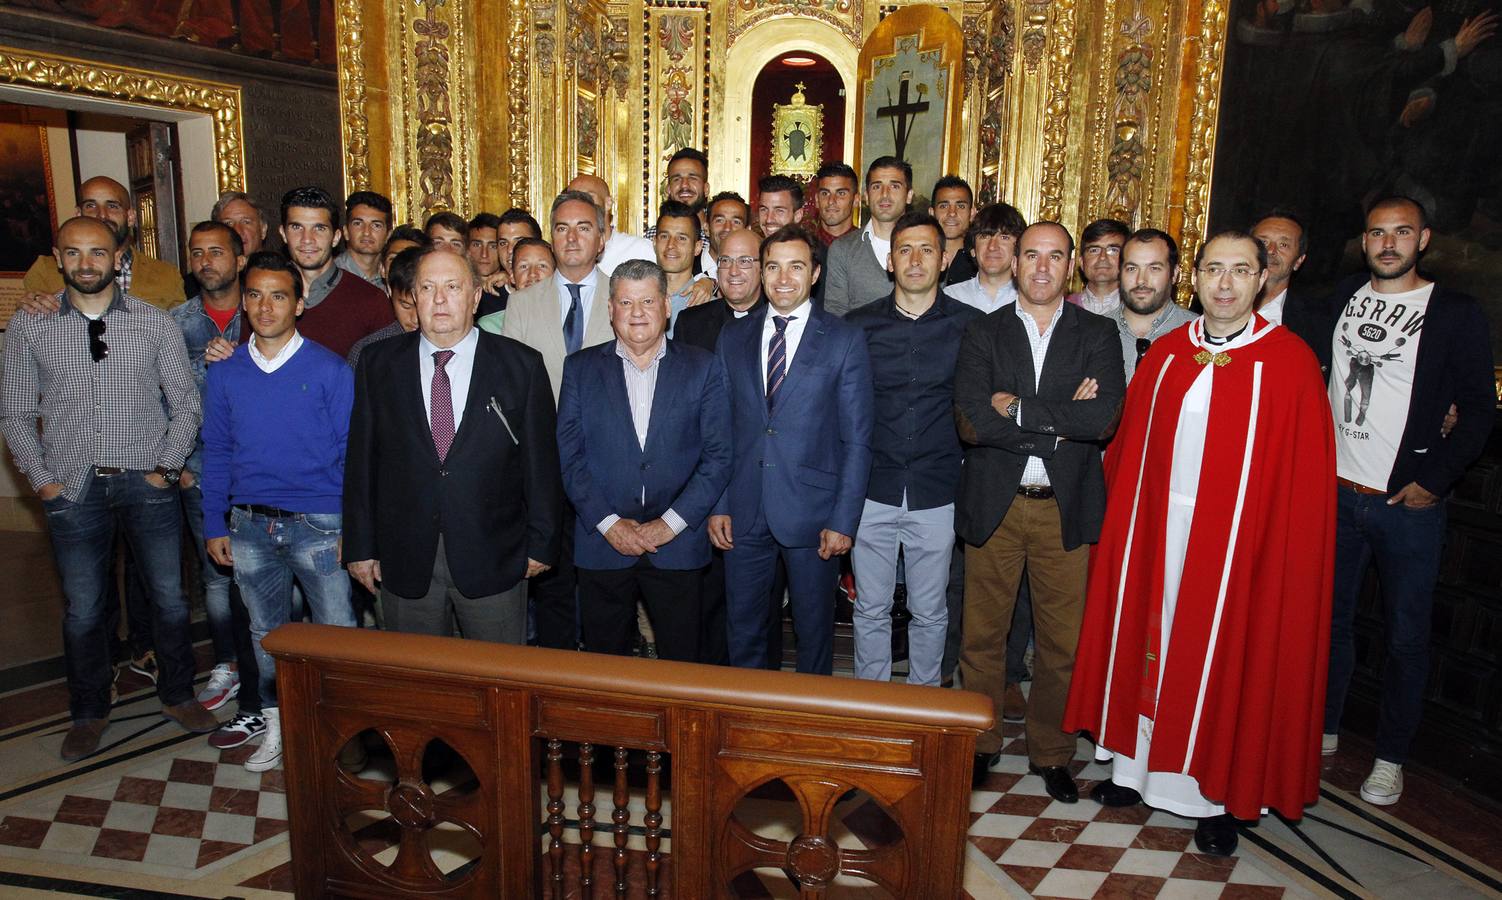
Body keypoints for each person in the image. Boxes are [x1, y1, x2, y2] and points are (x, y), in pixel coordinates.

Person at [1064, 229, 1337, 857]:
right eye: (1214, 269)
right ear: (1196, 277)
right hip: (1159, 536)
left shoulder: (1290, 363)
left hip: (1241, 550)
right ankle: (1135, 770)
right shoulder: (1165, 356)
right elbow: (1130, 458)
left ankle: (1219, 796)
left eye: (1240, 271)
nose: (1224, 284)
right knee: (1150, 641)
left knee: (1227, 653)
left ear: (1262, 280)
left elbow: (1301, 488)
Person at [2, 216, 215, 762]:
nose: (86, 263)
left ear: (120, 256)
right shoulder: (31, 326)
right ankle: (89, 710)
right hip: (73, 488)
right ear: (58, 257)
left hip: (146, 485)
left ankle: (177, 693)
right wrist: (43, 480)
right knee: (84, 609)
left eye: (97, 252)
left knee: (169, 599)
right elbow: (15, 411)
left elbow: (185, 403)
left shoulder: (153, 323)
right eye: (73, 254)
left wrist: (165, 469)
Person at [1323, 196, 1496, 806]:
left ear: (1424, 240)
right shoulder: (1344, 295)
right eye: (1377, 232)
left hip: (1408, 505)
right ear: (1364, 240)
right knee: (1331, 625)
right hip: (1337, 496)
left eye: (1401, 232)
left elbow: (1478, 409)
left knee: (1405, 638)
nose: (1388, 243)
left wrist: (1438, 480)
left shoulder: (1454, 312)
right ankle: (1323, 733)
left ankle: (1390, 758)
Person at [952, 221, 1125, 801]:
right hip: (995, 506)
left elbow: (1101, 420)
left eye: (1055, 257)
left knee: (1062, 643)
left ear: (1070, 265)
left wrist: (1019, 409)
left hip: (1063, 509)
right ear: (1016, 263)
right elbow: (972, 422)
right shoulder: (983, 330)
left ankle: (1051, 753)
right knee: (982, 638)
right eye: (1032, 256)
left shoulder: (1099, 333)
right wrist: (1056, 420)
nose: (1042, 268)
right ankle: (980, 744)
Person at [344, 248, 563, 643]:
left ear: (475, 297)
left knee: (497, 686)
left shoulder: (521, 365)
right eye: (427, 288)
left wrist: (542, 544)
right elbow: (361, 461)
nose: (439, 299)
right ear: (413, 296)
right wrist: (360, 546)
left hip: (495, 554)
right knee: (419, 685)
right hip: (404, 556)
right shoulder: (378, 364)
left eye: (452, 287)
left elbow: (541, 465)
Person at [200, 251, 358, 773]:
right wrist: (213, 523)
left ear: (300, 301)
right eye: (254, 295)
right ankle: (276, 725)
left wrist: (349, 529)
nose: (265, 307)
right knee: (265, 635)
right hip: (248, 526)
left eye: (278, 295)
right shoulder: (226, 374)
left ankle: (342, 732)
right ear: (243, 302)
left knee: (335, 632)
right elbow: (217, 451)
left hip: (319, 525)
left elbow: (350, 454)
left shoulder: (330, 370)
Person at [710, 226, 874, 674]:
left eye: (796, 266)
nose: (783, 278)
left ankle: (807, 732)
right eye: (773, 266)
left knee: (813, 632)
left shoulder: (843, 339)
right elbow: (721, 429)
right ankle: (743, 728)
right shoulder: (733, 338)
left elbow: (857, 440)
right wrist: (719, 503)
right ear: (761, 274)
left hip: (814, 514)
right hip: (743, 509)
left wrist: (843, 520)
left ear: (816, 273)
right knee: (742, 629)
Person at [557, 259, 731, 662]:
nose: (637, 313)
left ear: (667, 306)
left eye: (648, 301)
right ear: (611, 309)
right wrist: (609, 524)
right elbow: (570, 457)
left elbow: (719, 455)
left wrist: (668, 525)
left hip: (678, 545)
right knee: (605, 665)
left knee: (683, 664)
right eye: (626, 302)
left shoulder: (703, 367)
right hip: (602, 542)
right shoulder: (580, 369)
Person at [846, 212, 981, 686]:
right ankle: (873, 705)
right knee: (871, 608)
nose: (916, 259)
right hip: (872, 487)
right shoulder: (855, 329)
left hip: (937, 487)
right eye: (905, 249)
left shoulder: (974, 327)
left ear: (945, 260)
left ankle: (924, 703)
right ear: (889, 260)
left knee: (930, 610)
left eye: (927, 249)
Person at [169, 222, 265, 748]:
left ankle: (263, 681)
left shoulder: (263, 315)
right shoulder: (176, 322)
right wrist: (178, 464)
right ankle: (228, 662)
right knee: (215, 578)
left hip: (258, 475)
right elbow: (160, 394)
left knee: (258, 580)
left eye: (217, 252)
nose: (207, 261)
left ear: (239, 256)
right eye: (198, 253)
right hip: (201, 470)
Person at [209, 187, 395, 361]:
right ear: (283, 233)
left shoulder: (371, 301)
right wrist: (227, 354)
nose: (307, 239)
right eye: (297, 227)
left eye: (319, 228)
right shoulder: (261, 297)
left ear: (336, 237)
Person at [21, 176, 185, 310]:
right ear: (78, 213)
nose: (101, 215)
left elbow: (180, 337)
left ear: (130, 217)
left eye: (112, 206)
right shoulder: (45, 271)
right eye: (91, 205)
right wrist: (28, 306)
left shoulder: (166, 276)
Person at [824, 156, 912, 316]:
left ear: (909, 195)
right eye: (877, 186)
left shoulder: (928, 249)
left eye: (894, 186)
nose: (885, 194)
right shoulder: (843, 249)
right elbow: (835, 317)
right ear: (866, 195)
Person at [1250, 211, 1336, 374]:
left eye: (1284, 245)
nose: (1271, 250)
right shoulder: (1213, 307)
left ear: (1298, 261)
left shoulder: (1318, 323)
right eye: (1262, 242)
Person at [1112, 228, 1196, 383]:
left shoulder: (1197, 334)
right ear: (1119, 273)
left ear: (1175, 274)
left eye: (1154, 268)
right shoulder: (1092, 332)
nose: (1141, 280)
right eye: (1132, 268)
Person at [676, 228, 765, 352]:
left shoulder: (780, 321)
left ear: (763, 267)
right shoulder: (689, 323)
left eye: (744, 261)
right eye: (725, 261)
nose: (733, 271)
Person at [347, 244, 424, 368]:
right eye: (406, 306)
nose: (415, 318)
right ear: (389, 290)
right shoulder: (367, 353)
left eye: (422, 306)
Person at [948, 202, 1026, 315]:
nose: (992, 246)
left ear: (1018, 249)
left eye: (1004, 237)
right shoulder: (951, 298)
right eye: (984, 236)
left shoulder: (1028, 301)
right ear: (973, 250)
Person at [568, 173, 654, 275]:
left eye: (589, 197)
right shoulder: (564, 252)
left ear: (608, 203)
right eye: (573, 199)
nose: (580, 206)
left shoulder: (640, 250)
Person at [653, 200, 706, 334]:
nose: (671, 245)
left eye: (681, 238)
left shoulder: (710, 307)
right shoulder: (636, 300)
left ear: (697, 247)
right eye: (664, 236)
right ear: (654, 242)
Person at [1065, 218, 1130, 315]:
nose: (1102, 257)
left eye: (1113, 250)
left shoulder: (1139, 309)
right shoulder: (1062, 308)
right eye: (1094, 250)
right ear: (1082, 262)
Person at [336, 190, 392, 288]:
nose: (366, 232)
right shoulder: (329, 276)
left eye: (376, 225)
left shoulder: (391, 280)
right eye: (358, 223)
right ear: (346, 232)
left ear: (388, 235)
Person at [931, 175, 978, 284]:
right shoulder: (918, 258)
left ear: (972, 213)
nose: (952, 213)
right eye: (944, 206)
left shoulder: (982, 260)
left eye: (961, 206)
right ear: (932, 213)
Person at [703, 191, 750, 279]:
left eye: (736, 222)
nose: (727, 228)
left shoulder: (756, 274)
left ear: (748, 231)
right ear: (706, 228)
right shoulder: (686, 269)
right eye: (719, 220)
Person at [467, 212, 507, 314]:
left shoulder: (512, 290)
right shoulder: (454, 289)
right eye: (477, 245)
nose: (484, 254)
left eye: (492, 246)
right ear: (466, 248)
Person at [812, 162, 859, 247]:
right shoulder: (802, 248)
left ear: (856, 200)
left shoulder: (869, 247)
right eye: (825, 193)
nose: (831, 201)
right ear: (817, 200)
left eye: (841, 193)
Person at [214, 191, 274, 256]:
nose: (237, 231)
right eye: (228, 223)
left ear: (263, 230)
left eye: (246, 222)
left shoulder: (279, 266)